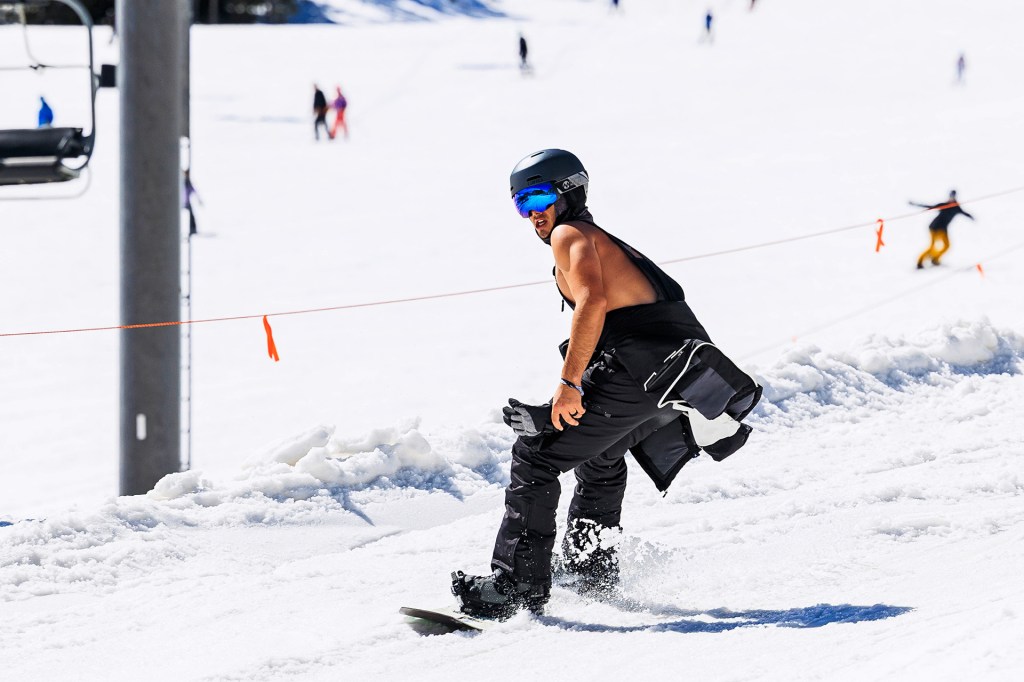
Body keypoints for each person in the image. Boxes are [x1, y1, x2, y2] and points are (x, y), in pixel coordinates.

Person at [451, 150, 762, 620]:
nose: (532, 212)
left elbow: (592, 304)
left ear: (569, 192)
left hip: (643, 372)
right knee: (600, 453)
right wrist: (560, 402)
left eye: (538, 196)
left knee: (535, 456)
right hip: (669, 376)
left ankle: (517, 587)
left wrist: (569, 383)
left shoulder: (570, 234)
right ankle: (589, 568)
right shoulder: (594, 238)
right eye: (520, 203)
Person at [911, 190, 975, 269]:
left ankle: (935, 259)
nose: (951, 198)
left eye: (953, 196)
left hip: (943, 229)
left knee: (947, 246)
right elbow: (930, 206)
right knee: (932, 246)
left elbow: (964, 213)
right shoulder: (944, 205)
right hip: (935, 227)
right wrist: (916, 204)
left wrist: (971, 217)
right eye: (951, 196)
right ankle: (919, 262)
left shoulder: (956, 207)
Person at [183, 170, 202, 236]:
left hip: (186, 202)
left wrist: (199, 200)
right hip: (183, 203)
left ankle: (193, 229)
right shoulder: (182, 182)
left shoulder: (188, 183)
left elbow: (194, 191)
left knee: (191, 216)